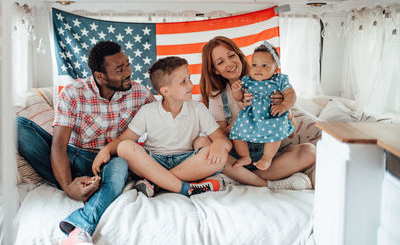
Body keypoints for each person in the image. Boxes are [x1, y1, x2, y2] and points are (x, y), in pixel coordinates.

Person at [17, 41, 155, 245]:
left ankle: (80, 227)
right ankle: (82, 184)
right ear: (100, 76)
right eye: (120, 69)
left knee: (121, 165)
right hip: (76, 156)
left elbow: (160, 129)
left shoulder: (141, 94)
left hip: (112, 161)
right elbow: (59, 146)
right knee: (17, 126)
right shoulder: (73, 93)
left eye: (127, 64)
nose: (128, 71)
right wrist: (67, 187)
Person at [92, 56, 230, 198]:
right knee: (124, 147)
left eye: (189, 78)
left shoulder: (198, 109)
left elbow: (221, 139)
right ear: (165, 91)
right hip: (153, 162)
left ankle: (156, 183)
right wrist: (106, 150)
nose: (190, 85)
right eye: (183, 82)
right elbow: (124, 139)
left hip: (188, 162)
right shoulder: (148, 111)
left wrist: (220, 145)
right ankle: (184, 187)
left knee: (221, 156)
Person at [199, 36, 316, 187]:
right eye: (221, 62)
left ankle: (244, 179)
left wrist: (282, 107)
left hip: (269, 157)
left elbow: (292, 132)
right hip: (238, 157)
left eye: (231, 55)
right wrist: (243, 116)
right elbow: (220, 138)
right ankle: (264, 182)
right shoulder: (217, 96)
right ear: (215, 70)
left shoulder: (271, 83)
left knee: (310, 151)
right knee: (202, 143)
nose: (229, 64)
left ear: (239, 55)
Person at [229, 42, 296, 171]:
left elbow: (291, 94)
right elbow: (239, 98)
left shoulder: (279, 80)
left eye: (264, 65)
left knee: (274, 132)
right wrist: (236, 90)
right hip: (250, 117)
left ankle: (267, 157)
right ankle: (245, 156)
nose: (257, 69)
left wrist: (284, 106)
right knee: (236, 133)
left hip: (271, 115)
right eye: (254, 65)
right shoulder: (247, 80)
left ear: (275, 69)